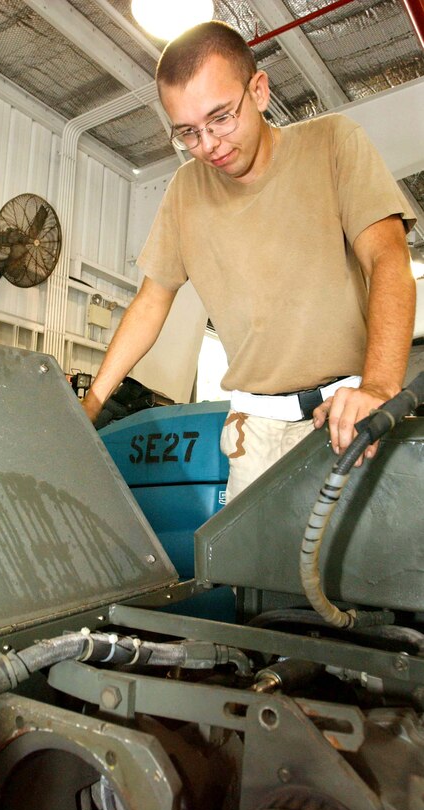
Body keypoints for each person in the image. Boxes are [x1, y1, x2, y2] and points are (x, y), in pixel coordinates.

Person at [82, 20, 416, 503]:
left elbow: (388, 259)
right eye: (188, 133)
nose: (209, 144)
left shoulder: (332, 144)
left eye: (221, 118)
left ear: (258, 91)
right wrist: (92, 403)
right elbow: (152, 302)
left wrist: (380, 387)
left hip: (345, 417)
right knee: (252, 574)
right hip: (252, 432)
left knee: (347, 574)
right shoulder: (185, 193)